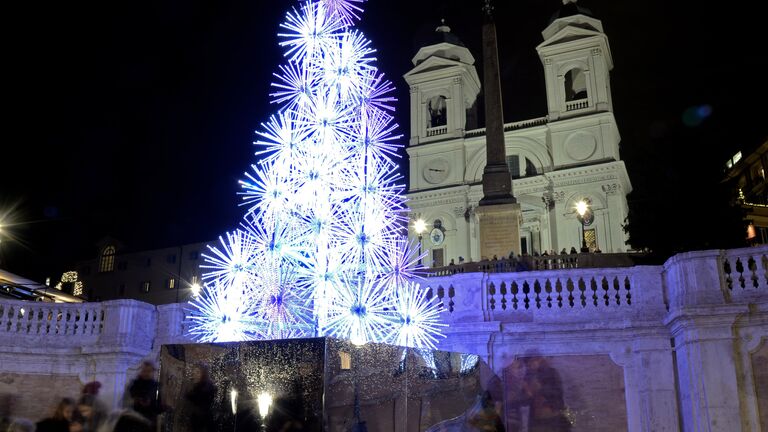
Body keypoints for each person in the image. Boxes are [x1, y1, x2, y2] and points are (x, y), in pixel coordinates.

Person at [128, 362, 162, 428]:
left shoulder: (156, 386)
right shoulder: (136, 384)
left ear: (153, 372)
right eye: (144, 371)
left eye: (149, 371)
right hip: (138, 416)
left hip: (151, 417)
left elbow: (159, 402)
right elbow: (133, 394)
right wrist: (139, 400)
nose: (146, 373)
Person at [185, 363, 216, 432]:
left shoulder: (206, 387)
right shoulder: (197, 387)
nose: (194, 375)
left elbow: (198, 399)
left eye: (198, 372)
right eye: (193, 372)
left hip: (203, 422)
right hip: (198, 421)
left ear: (203, 373)